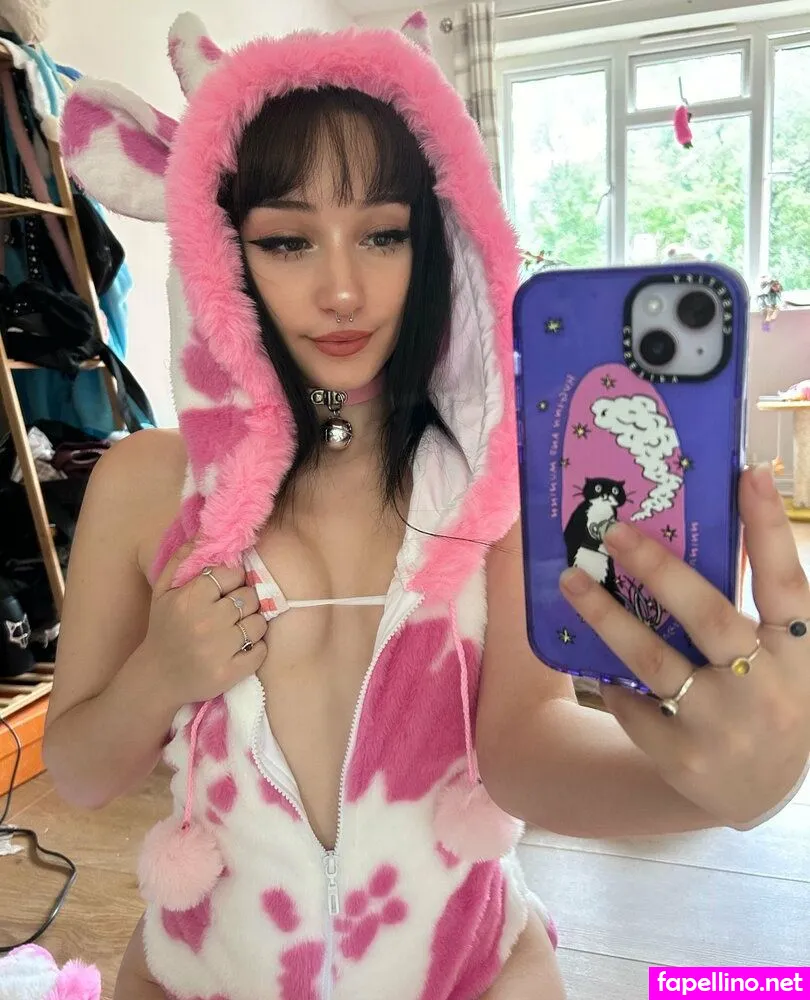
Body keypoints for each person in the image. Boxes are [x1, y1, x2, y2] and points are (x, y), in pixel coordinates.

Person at [43, 13, 810, 1000]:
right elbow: (80, 773)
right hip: (200, 974)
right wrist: (161, 672)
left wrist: (720, 789)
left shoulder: (493, 484)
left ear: (439, 239)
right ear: (218, 250)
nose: (342, 288)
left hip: (471, 972)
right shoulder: (144, 483)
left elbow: (525, 747)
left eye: (383, 233)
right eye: (286, 240)